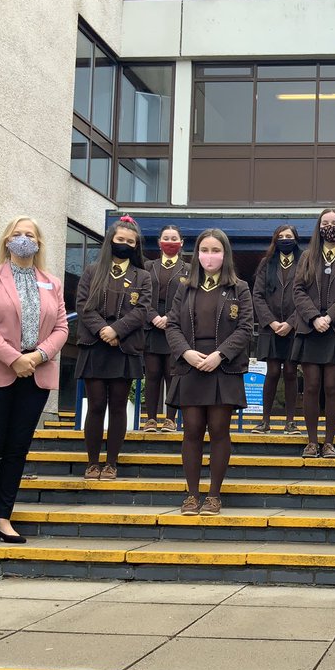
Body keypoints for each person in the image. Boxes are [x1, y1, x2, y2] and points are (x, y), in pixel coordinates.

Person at [0, 216, 68, 545]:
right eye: (18, 233)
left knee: (17, 449)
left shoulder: (52, 282)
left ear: (39, 243)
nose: (24, 239)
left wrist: (37, 356)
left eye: (30, 235)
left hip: (36, 373)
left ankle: (3, 516)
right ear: (7, 240)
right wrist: (14, 359)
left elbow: (62, 328)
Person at [166, 229, 254, 516]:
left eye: (216, 250)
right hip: (190, 365)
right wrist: (186, 353)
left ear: (225, 254)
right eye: (204, 250)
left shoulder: (240, 288)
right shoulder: (184, 287)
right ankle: (192, 495)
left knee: (218, 430)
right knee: (191, 430)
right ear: (197, 254)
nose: (209, 256)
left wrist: (220, 355)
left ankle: (214, 495)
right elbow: (172, 325)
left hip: (223, 367)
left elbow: (245, 328)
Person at [75, 215, 152, 480]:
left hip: (124, 347)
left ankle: (111, 463)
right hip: (94, 346)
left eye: (131, 242)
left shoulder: (143, 276)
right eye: (120, 239)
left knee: (119, 406)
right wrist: (103, 330)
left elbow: (142, 310)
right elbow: (83, 305)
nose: (125, 244)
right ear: (110, 240)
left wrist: (117, 330)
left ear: (136, 246)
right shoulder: (92, 271)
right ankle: (92, 462)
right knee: (96, 405)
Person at [293, 207, 335, 459]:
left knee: (333, 387)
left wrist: (330, 317)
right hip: (310, 330)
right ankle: (312, 442)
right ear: (318, 227)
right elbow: (298, 290)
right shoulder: (307, 256)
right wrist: (314, 317)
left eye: (334, 223)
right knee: (311, 386)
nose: (329, 227)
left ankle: (329, 442)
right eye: (325, 223)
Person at [251, 225, 302, 434]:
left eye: (289, 236)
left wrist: (291, 322)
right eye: (281, 236)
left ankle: (290, 421)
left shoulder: (303, 263)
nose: (285, 239)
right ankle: (265, 421)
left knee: (290, 372)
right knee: (272, 372)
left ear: (296, 239)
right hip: (270, 328)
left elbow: (307, 296)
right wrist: (271, 322)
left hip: (294, 328)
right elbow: (257, 296)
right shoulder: (266, 263)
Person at [141, 224, 190, 432]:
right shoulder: (147, 267)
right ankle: (151, 419)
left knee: (172, 374)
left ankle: (170, 419)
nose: (170, 242)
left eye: (174, 238)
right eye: (166, 238)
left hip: (175, 327)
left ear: (181, 243)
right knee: (152, 374)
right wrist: (153, 316)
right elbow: (140, 295)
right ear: (159, 242)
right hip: (151, 326)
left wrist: (170, 318)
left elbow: (189, 299)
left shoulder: (189, 269)